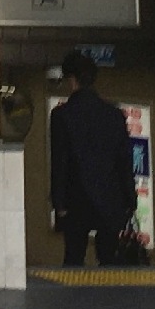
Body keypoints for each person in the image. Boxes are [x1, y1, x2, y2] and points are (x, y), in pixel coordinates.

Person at [48, 50, 139, 266]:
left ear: (72, 80)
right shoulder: (114, 115)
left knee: (74, 258)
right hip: (111, 198)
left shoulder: (62, 116)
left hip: (75, 200)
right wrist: (130, 198)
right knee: (108, 259)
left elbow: (60, 161)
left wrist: (59, 202)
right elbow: (124, 160)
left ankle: (75, 290)